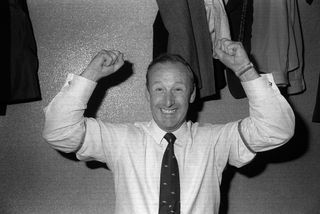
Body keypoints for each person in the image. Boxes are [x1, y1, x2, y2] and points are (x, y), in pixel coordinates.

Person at [42, 39, 295, 214]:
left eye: (178, 89)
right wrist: (90, 75)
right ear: (147, 94)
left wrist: (244, 69)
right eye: (159, 89)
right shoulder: (120, 140)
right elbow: (59, 132)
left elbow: (277, 129)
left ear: (192, 94)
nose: (168, 101)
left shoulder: (216, 140)